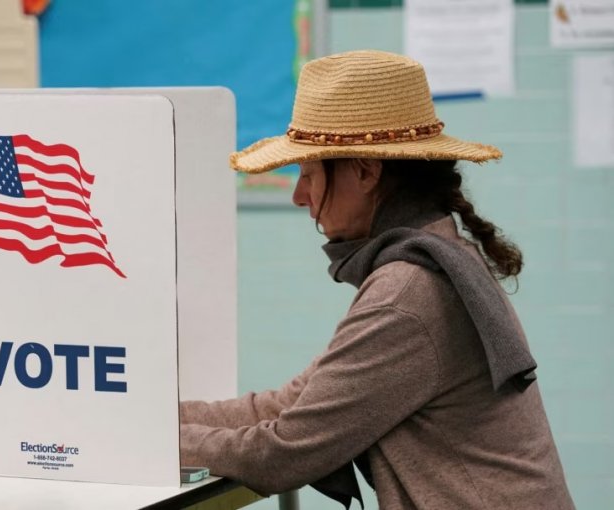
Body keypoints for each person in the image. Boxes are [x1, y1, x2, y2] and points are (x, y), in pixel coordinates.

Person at [179, 50, 574, 509]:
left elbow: (283, 451)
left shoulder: (407, 293)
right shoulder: (436, 260)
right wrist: (148, 422)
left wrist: (148, 440)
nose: (298, 196)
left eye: (308, 173)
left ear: (365, 172)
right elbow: (291, 404)